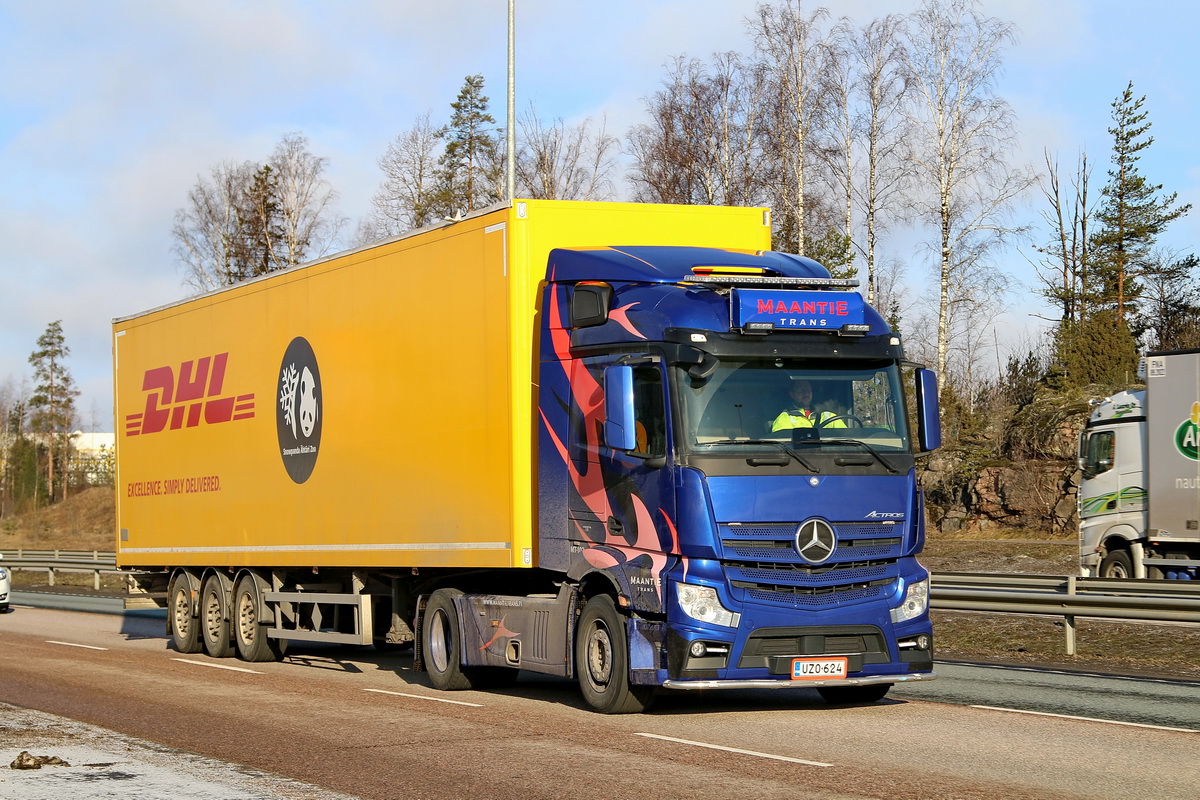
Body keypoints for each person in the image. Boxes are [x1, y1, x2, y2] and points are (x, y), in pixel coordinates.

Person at [771, 380, 846, 432]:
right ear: (792, 394)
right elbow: (782, 448)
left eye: (808, 390)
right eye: (801, 391)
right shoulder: (784, 418)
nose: (806, 394)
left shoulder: (829, 417)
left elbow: (847, 438)